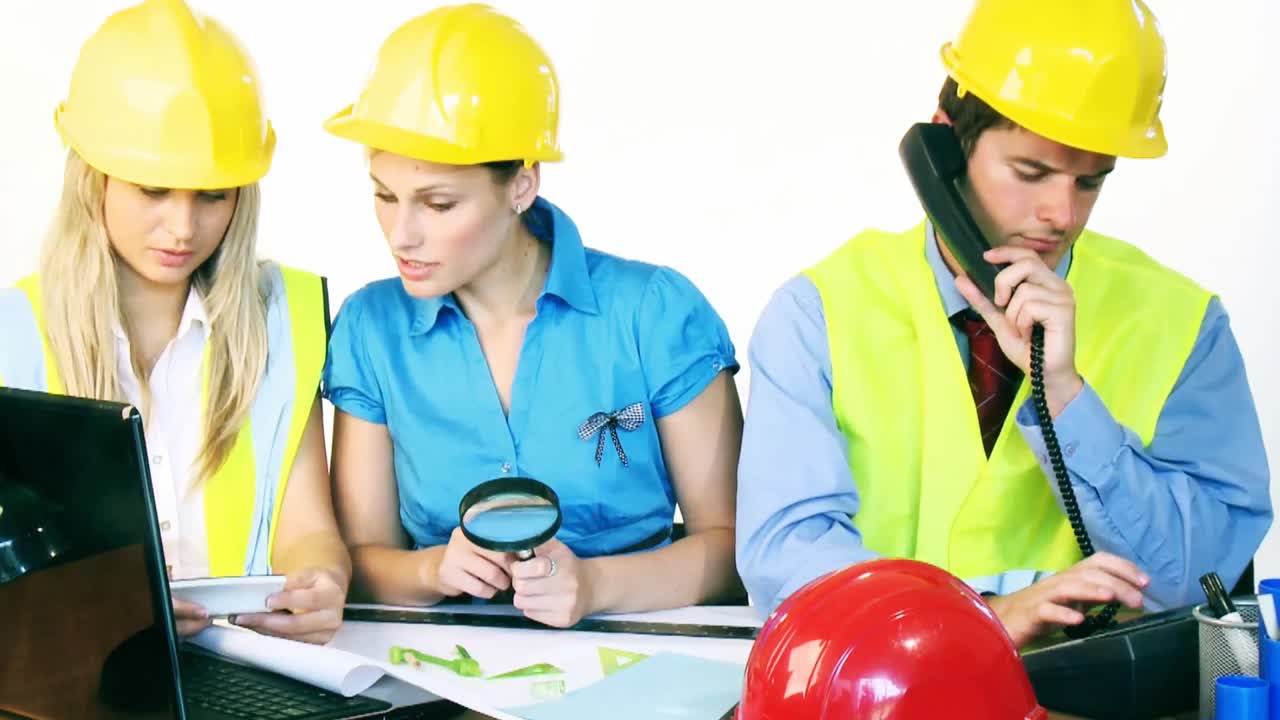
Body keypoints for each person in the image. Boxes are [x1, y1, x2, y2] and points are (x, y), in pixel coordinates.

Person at [735, 0, 1271, 648]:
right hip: (882, 697)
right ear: (943, 145)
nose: (1061, 214)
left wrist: (1067, 397)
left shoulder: (1184, 323)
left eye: (1091, 182)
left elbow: (1203, 579)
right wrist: (984, 614)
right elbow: (784, 566)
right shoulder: (816, 312)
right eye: (1031, 172)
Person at [323, 3, 743, 630]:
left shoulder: (652, 312)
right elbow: (358, 560)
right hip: (446, 682)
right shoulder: (371, 328)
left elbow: (736, 548)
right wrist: (431, 570)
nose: (400, 234)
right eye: (384, 197)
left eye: (438, 204)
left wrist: (595, 585)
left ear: (521, 185)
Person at [0, 0, 350, 644]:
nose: (184, 228)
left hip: (253, 663)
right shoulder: (12, 335)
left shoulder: (286, 314)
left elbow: (306, 526)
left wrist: (320, 582)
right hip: (85, 679)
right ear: (93, 177)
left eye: (213, 195)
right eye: (153, 190)